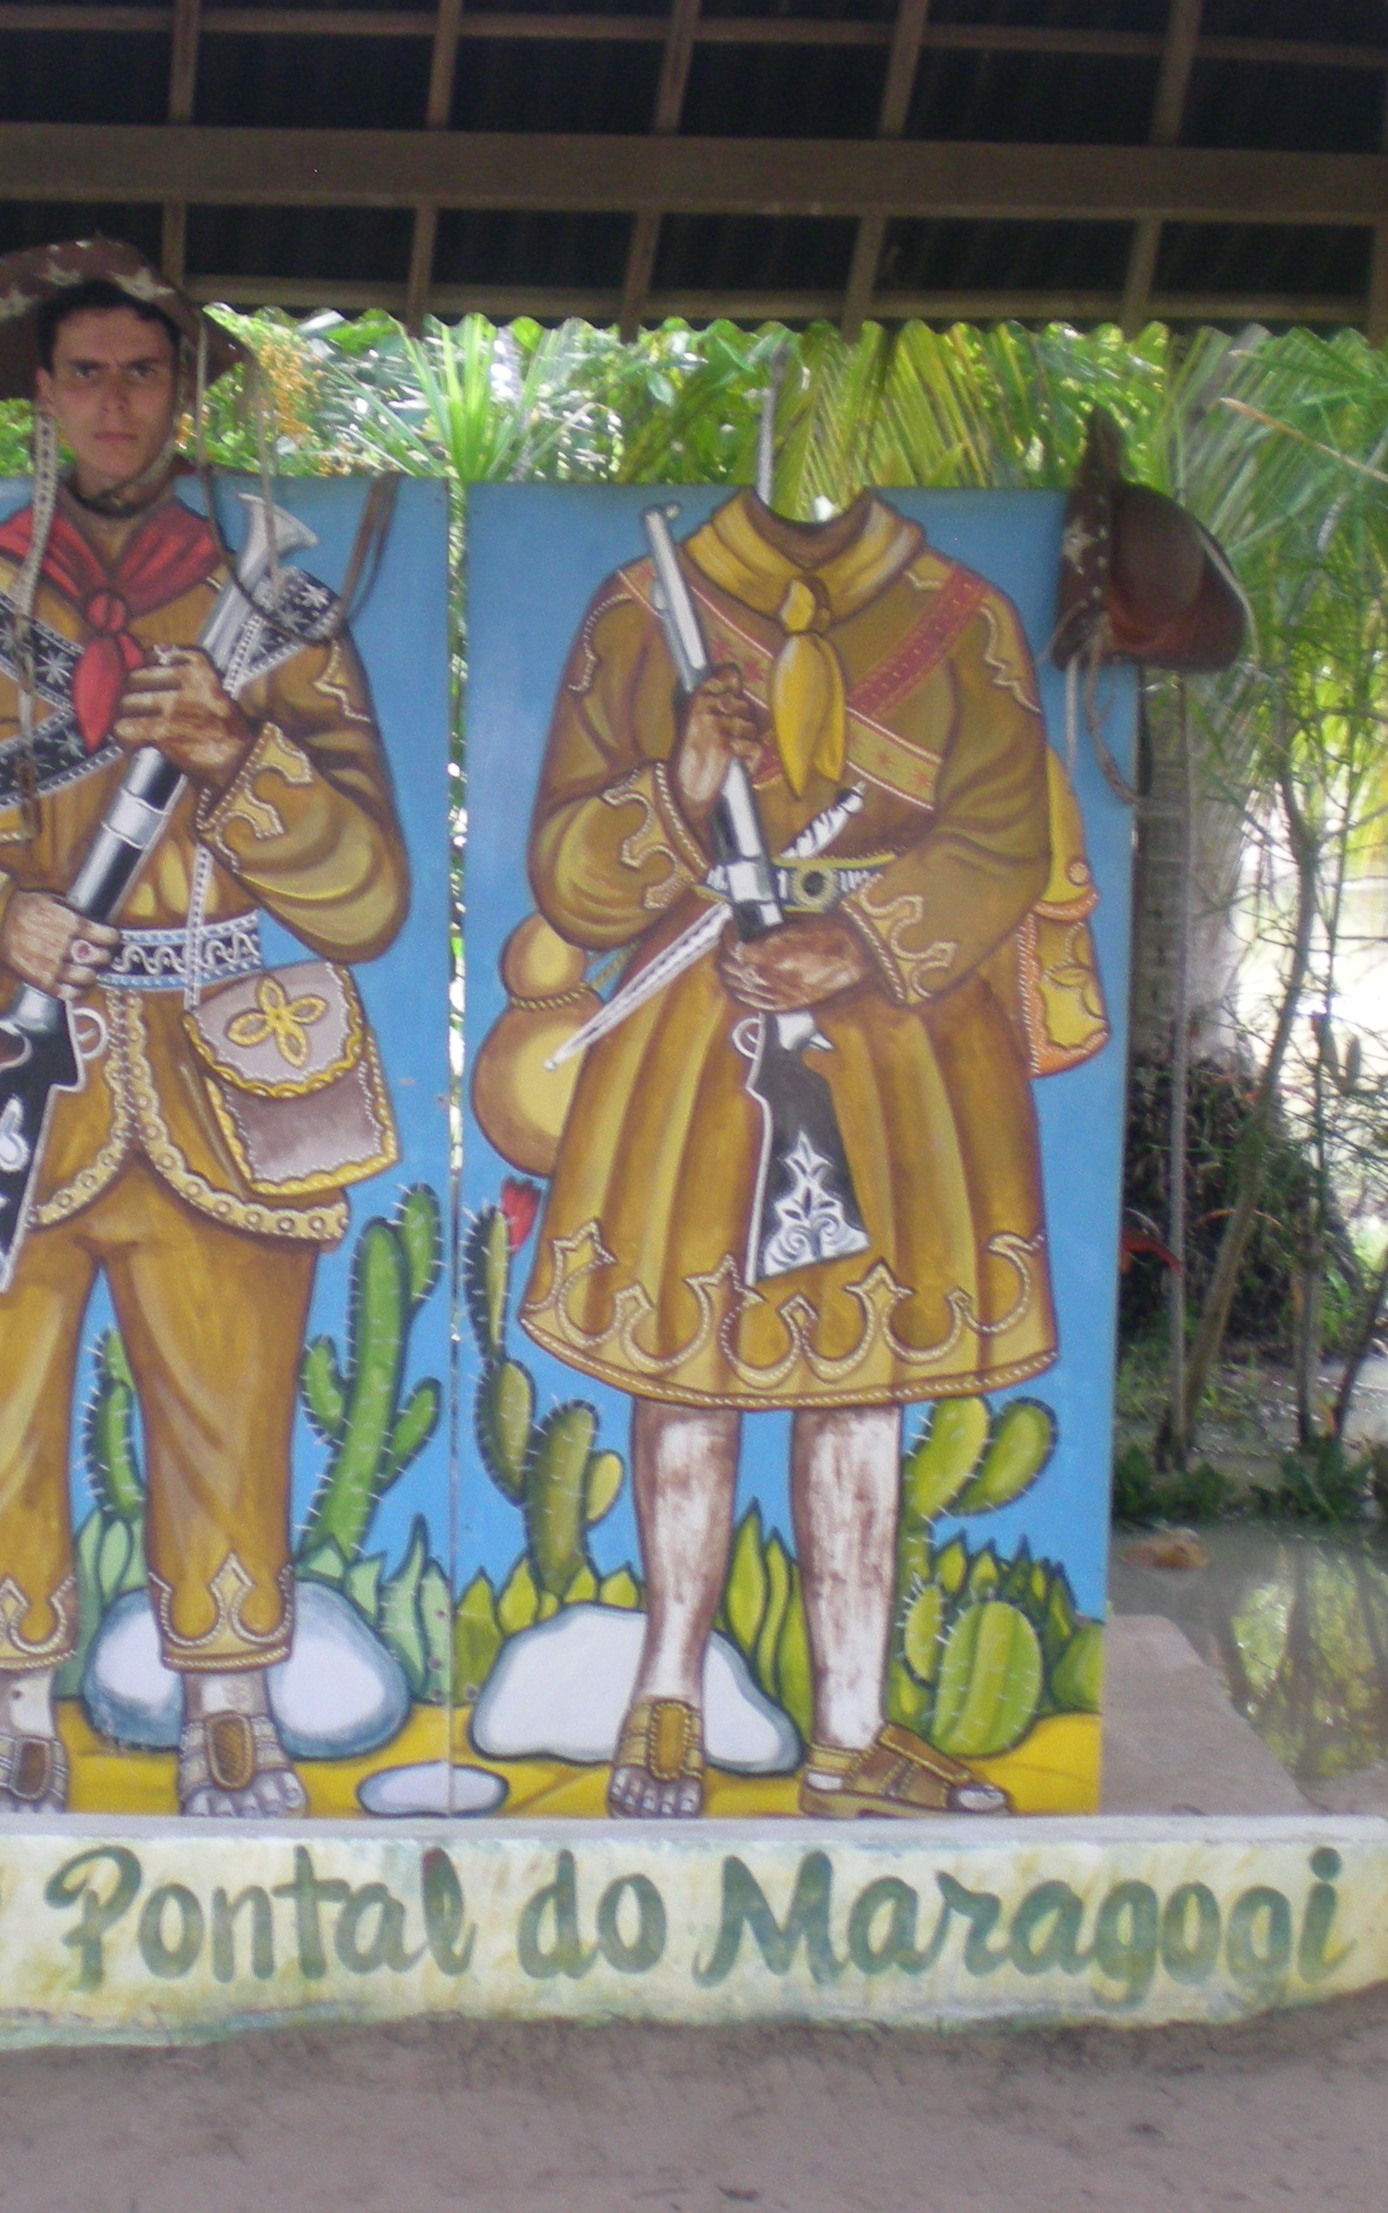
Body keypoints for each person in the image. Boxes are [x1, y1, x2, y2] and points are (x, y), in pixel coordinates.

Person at [0, 241, 410, 1817]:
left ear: (181, 390)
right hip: (7, 1073)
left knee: (229, 1405)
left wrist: (241, 762)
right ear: (44, 392)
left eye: (143, 372)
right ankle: (18, 1713)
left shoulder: (272, 619)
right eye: (84, 373)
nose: (116, 404)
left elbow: (368, 895)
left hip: (219, 1078)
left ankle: (231, 1713)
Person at [514, 487, 1101, 1820]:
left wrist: (856, 944)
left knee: (862, 1383)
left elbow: (1006, 834)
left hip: (901, 1048)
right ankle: (666, 1700)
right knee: (684, 1368)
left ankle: (849, 1734)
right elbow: (567, 869)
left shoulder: (964, 619)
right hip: (692, 1033)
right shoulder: (639, 611)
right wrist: (680, 793)